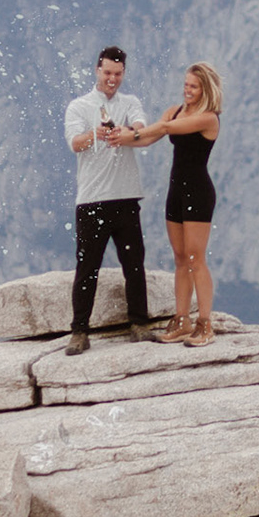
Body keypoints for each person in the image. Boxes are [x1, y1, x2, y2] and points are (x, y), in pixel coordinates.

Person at [124, 62, 222, 347]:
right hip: (176, 191)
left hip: (198, 193)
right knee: (180, 258)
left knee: (195, 258)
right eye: (185, 84)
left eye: (193, 86)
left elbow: (165, 127)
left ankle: (205, 324)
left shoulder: (208, 118)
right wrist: (121, 138)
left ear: (205, 89)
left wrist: (130, 134)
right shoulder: (175, 111)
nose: (186, 90)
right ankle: (182, 320)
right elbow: (150, 138)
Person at [61, 46, 151, 355]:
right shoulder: (79, 106)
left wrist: (126, 131)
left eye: (118, 74)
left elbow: (141, 127)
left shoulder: (130, 103)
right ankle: (79, 331)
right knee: (87, 267)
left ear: (123, 73)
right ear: (97, 71)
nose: (112, 79)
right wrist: (96, 134)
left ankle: (139, 323)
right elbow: (74, 143)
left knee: (134, 264)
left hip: (126, 196)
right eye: (108, 73)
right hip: (92, 200)